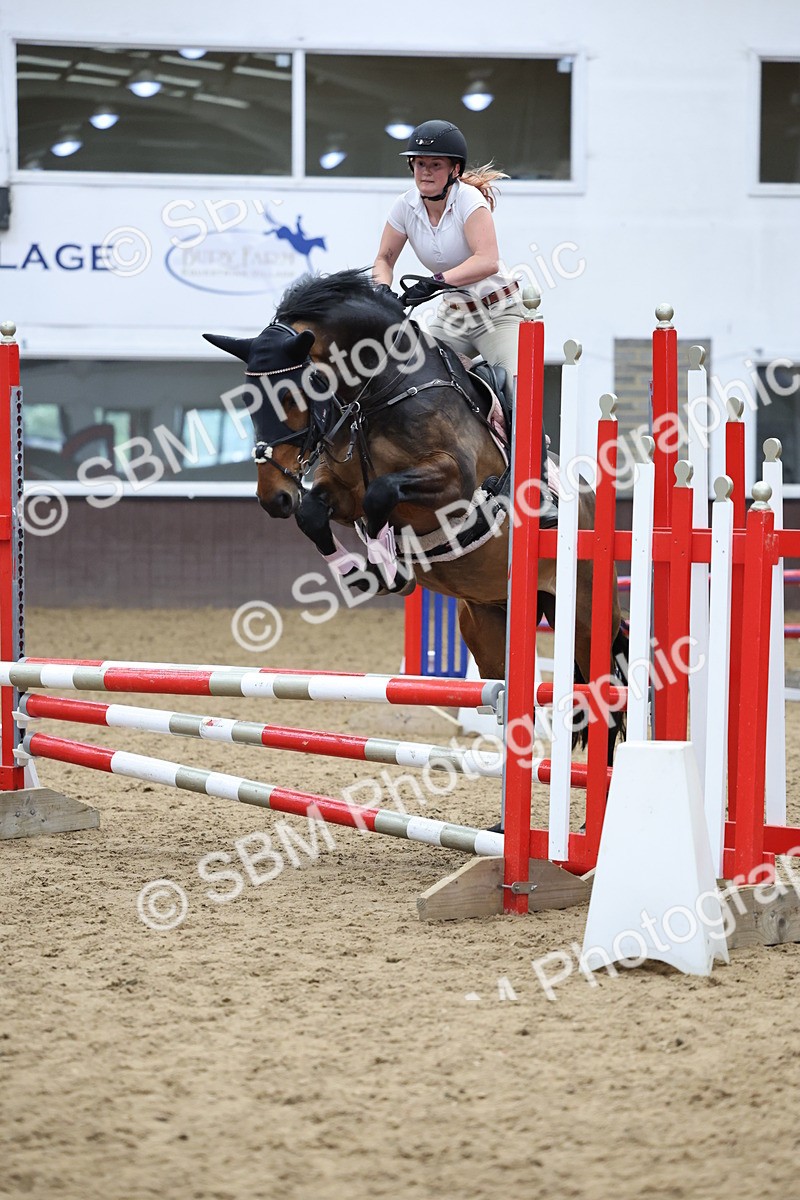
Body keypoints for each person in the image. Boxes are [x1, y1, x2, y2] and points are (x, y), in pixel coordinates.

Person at [372, 118, 556, 526]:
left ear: (454, 170)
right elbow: (384, 260)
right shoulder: (405, 206)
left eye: (435, 165)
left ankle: (537, 488)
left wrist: (434, 283)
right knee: (404, 378)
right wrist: (383, 290)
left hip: (500, 313)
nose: (425, 172)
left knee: (518, 394)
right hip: (452, 317)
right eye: (419, 164)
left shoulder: (470, 201)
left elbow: (486, 259)